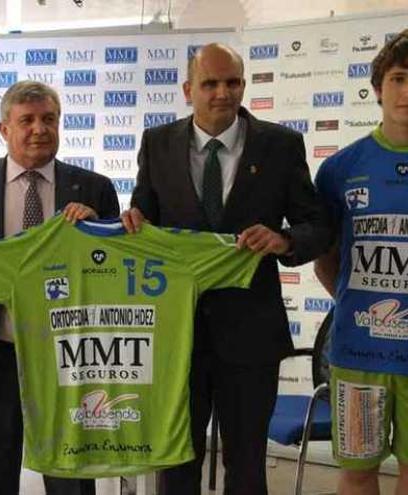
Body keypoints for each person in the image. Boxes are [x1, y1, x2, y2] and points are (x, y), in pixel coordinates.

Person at [120, 43, 330, 495]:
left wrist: (285, 240)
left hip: (252, 336)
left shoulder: (280, 145)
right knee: (175, 464)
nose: (222, 93)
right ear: (187, 90)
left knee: (248, 466)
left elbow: (318, 224)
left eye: (232, 82)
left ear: (243, 84)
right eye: (210, 83)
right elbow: (144, 213)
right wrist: (133, 218)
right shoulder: (157, 144)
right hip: (176, 337)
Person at [0, 80, 117, 494]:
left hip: (68, 361)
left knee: (72, 483)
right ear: (3, 129)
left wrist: (97, 231)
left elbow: (111, 278)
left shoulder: (94, 189)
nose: (39, 129)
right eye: (27, 120)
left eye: (49, 119)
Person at [314, 29, 408, 495]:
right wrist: (360, 307)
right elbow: (325, 258)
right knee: (357, 473)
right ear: (378, 88)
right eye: (399, 78)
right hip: (359, 354)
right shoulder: (341, 168)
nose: (407, 92)